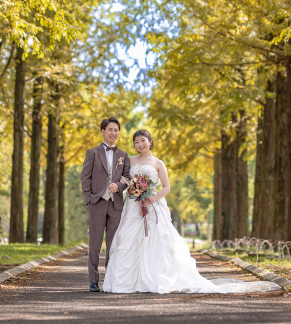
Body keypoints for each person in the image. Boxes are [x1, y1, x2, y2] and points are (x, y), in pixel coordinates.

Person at [102, 130, 279, 294]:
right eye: (136, 142)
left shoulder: (158, 163)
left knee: (155, 240)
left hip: (153, 205)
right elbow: (123, 178)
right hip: (133, 205)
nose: (139, 144)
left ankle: (154, 277)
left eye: (142, 141)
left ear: (150, 142)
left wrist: (150, 199)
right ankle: (127, 281)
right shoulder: (130, 160)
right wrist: (130, 187)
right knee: (128, 238)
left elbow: (166, 188)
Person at [81, 117, 131, 292]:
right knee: (95, 242)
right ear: (103, 131)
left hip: (116, 203)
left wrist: (120, 186)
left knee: (113, 243)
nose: (113, 133)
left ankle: (110, 280)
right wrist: (88, 198)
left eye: (116, 130)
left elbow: (127, 178)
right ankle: (93, 280)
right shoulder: (92, 153)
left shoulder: (123, 156)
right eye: (110, 129)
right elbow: (85, 177)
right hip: (97, 202)